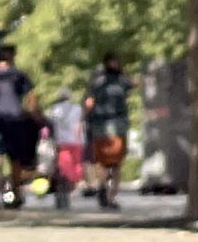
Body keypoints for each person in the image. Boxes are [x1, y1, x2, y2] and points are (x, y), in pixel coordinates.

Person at [0, 45, 37, 201]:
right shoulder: (18, 75)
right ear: (12, 56)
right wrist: (30, 112)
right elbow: (32, 96)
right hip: (14, 121)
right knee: (15, 161)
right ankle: (17, 194)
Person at [83, 51, 133, 210]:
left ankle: (104, 189)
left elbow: (89, 102)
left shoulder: (97, 83)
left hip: (102, 124)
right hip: (114, 124)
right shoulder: (121, 81)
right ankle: (109, 194)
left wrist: (84, 118)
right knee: (114, 163)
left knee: (104, 162)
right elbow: (132, 83)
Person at [47, 87, 86, 209]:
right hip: (77, 141)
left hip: (62, 142)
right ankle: (73, 186)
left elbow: (51, 125)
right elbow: (80, 125)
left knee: (64, 166)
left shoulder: (54, 109)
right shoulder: (77, 108)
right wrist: (80, 139)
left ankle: (65, 189)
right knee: (76, 164)